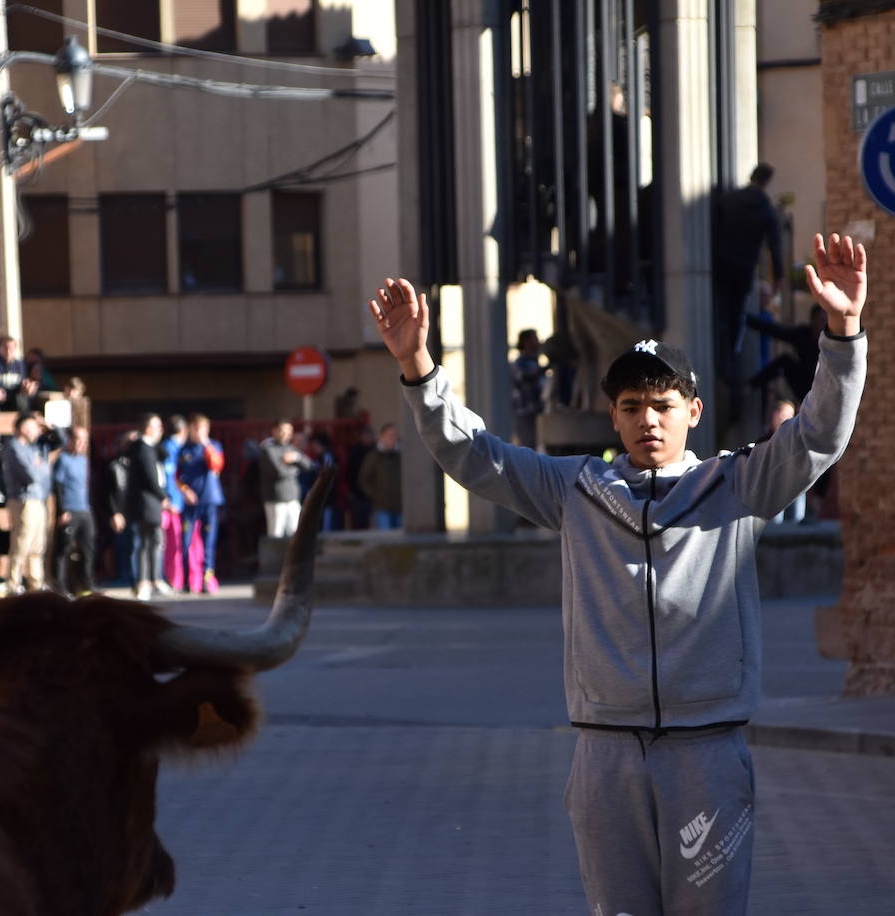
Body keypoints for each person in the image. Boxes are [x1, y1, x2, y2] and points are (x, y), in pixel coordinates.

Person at [365, 231, 868, 916]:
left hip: (707, 753)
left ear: (692, 412)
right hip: (604, 756)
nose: (648, 422)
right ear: (614, 417)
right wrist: (418, 363)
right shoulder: (576, 489)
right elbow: (475, 455)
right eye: (631, 408)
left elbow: (819, 434)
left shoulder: (738, 484)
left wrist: (842, 330)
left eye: (663, 406)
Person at [712, 163, 786, 406]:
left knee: (720, 312)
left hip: (720, 264)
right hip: (744, 267)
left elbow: (713, 228)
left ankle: (722, 359)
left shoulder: (729, 199)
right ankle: (728, 363)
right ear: (766, 181)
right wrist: (779, 277)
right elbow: (775, 247)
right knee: (735, 318)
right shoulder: (766, 208)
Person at [1, 412, 55, 593]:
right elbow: (31, 475)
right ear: (23, 428)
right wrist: (40, 467)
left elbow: (44, 471)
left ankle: (36, 583)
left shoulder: (33, 448)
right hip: (23, 500)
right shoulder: (13, 447)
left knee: (37, 545)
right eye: (34, 427)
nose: (37, 432)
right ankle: (13, 584)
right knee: (22, 543)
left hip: (38, 498)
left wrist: (40, 466)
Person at [119, 414, 171, 601]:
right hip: (146, 502)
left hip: (150, 502)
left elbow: (166, 454)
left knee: (154, 541)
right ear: (147, 428)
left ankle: (155, 579)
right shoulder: (142, 449)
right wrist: (164, 497)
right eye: (157, 426)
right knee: (145, 542)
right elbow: (150, 478)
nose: (160, 430)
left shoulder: (149, 447)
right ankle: (145, 581)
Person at [177, 413, 225, 594]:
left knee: (209, 541)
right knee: (186, 541)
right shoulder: (184, 449)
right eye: (196, 428)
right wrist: (185, 490)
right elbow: (177, 476)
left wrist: (207, 447)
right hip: (190, 503)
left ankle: (207, 578)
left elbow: (217, 466)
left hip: (210, 499)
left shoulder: (214, 446)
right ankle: (187, 580)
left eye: (203, 428)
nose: (199, 432)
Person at [745, 303, 826, 405]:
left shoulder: (826, 346)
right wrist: (747, 320)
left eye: (826, 322)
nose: (823, 325)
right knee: (784, 362)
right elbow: (777, 331)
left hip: (816, 394)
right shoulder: (803, 335)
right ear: (812, 320)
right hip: (803, 382)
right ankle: (748, 387)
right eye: (821, 320)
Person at [52, 425, 96, 596]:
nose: (81, 444)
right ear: (70, 440)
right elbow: (58, 486)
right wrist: (62, 511)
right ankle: (60, 586)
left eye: (84, 440)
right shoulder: (63, 459)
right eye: (78, 439)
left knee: (88, 548)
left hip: (84, 508)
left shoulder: (84, 460)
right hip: (69, 509)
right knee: (63, 549)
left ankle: (87, 583)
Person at [258, 419, 313, 539]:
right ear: (274, 431)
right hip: (276, 498)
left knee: (296, 534)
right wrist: (294, 469)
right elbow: (278, 472)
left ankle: (293, 558)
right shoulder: (268, 449)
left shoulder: (290, 448)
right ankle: (275, 558)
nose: (285, 434)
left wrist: (297, 458)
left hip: (292, 497)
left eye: (288, 431)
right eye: (282, 431)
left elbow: (309, 466)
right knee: (276, 534)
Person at [159, 415, 188, 591]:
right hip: (171, 505)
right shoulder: (170, 448)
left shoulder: (173, 447)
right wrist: (170, 499)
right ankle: (172, 579)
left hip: (174, 502)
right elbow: (168, 476)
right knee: (171, 544)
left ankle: (174, 579)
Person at [359, 423, 403, 530]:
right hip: (381, 507)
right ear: (382, 437)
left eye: (394, 435)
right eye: (389, 435)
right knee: (385, 540)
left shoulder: (402, 456)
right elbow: (364, 479)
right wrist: (375, 495)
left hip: (401, 507)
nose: (392, 438)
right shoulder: (373, 457)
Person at [511, 328, 546, 450]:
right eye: (535, 339)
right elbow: (527, 375)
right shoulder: (520, 363)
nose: (538, 342)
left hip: (535, 411)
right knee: (527, 447)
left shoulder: (534, 361)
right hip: (525, 413)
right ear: (526, 342)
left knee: (536, 446)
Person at [0, 335, 27, 410]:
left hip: (15, 398)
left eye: (11, 348)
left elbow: (22, 382)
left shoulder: (20, 364)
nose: (8, 350)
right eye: (5, 347)